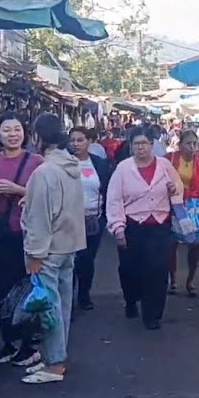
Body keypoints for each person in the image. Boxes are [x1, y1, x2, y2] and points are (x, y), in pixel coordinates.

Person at [20, 114, 86, 385]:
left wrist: (35, 254)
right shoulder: (71, 166)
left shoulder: (45, 172)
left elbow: (40, 218)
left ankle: (54, 365)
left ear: (39, 138)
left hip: (47, 249)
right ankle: (53, 358)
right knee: (61, 306)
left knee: (48, 308)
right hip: (68, 245)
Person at [0, 113, 44, 367]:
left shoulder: (37, 162)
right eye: (7, 130)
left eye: (17, 129)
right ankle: (8, 342)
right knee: (0, 289)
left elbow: (46, 197)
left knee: (25, 288)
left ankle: (29, 345)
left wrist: (18, 190)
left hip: (28, 234)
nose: (13, 134)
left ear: (24, 133)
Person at [106, 126, 183, 330]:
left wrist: (173, 190)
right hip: (133, 225)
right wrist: (118, 227)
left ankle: (153, 315)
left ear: (152, 145)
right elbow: (114, 200)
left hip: (159, 225)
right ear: (131, 146)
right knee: (131, 269)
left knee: (158, 269)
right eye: (136, 144)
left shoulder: (165, 166)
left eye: (144, 143)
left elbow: (178, 189)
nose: (140, 148)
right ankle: (131, 299)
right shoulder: (123, 168)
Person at [69, 127, 111, 311]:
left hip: (94, 219)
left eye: (80, 140)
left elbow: (107, 189)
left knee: (87, 259)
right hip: (70, 220)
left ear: (88, 142)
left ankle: (84, 294)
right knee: (72, 259)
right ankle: (69, 297)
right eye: (73, 140)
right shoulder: (65, 163)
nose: (76, 144)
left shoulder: (99, 164)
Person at [169, 129, 199, 297]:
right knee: (171, 244)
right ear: (180, 145)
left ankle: (190, 280)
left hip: (194, 206)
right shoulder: (170, 159)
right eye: (188, 144)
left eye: (195, 144)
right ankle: (172, 280)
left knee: (194, 244)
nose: (192, 147)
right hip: (174, 204)